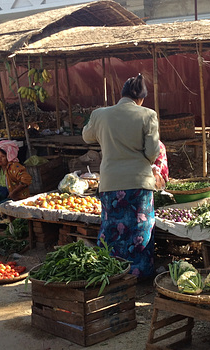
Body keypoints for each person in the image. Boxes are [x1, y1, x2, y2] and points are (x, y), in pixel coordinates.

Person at [82, 73, 161, 279]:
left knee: (112, 229)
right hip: (139, 182)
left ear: (122, 94)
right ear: (141, 98)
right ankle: (140, 275)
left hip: (110, 182)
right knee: (140, 230)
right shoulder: (148, 115)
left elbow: (86, 136)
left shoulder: (100, 114)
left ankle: (111, 273)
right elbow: (153, 152)